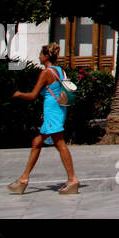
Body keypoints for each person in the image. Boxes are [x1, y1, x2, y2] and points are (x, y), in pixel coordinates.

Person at [9, 43, 80, 194]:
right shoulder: (60, 71)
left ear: (46, 56)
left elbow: (33, 95)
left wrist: (19, 94)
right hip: (58, 109)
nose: (39, 56)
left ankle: (72, 179)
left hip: (52, 112)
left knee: (60, 144)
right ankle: (23, 179)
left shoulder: (46, 73)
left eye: (41, 54)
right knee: (37, 142)